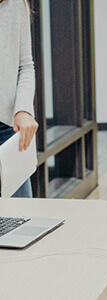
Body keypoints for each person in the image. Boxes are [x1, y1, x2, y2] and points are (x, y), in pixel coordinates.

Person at [0, 0, 38, 197]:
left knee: (22, 218)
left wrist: (23, 109)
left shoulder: (15, 4)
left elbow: (25, 65)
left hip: (6, 131)